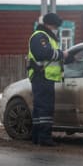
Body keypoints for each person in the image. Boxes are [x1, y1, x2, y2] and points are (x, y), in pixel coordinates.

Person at [27, 13, 68, 146]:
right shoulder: (40, 36)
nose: (56, 28)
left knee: (40, 109)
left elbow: (51, 54)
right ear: (49, 24)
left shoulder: (47, 37)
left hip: (44, 77)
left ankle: (37, 137)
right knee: (45, 108)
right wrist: (62, 54)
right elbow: (42, 54)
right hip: (41, 76)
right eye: (55, 26)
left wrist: (68, 57)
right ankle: (44, 138)